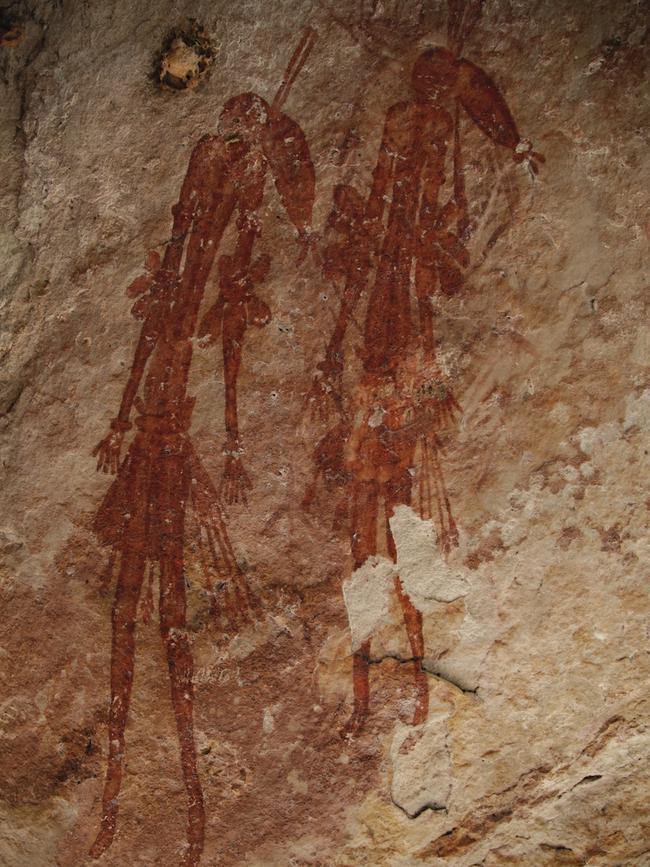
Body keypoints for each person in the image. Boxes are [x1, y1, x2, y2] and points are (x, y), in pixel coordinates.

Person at [89, 30, 316, 866]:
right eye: (218, 161)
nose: (216, 178)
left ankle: (189, 803)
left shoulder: (227, 240)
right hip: (154, 434)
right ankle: (116, 793)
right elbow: (164, 326)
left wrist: (224, 439)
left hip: (171, 441)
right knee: (126, 613)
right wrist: (121, 417)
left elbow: (226, 341)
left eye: (233, 163)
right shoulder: (191, 241)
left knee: (169, 618)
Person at [309, 44, 541, 736]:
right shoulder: (390, 230)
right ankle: (363, 695)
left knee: (399, 550)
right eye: (403, 146)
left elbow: (447, 265)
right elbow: (375, 255)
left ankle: (416, 691)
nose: (411, 159)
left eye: (423, 148)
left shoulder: (422, 229)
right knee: (363, 554)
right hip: (379, 380)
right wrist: (332, 350)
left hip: (401, 385)